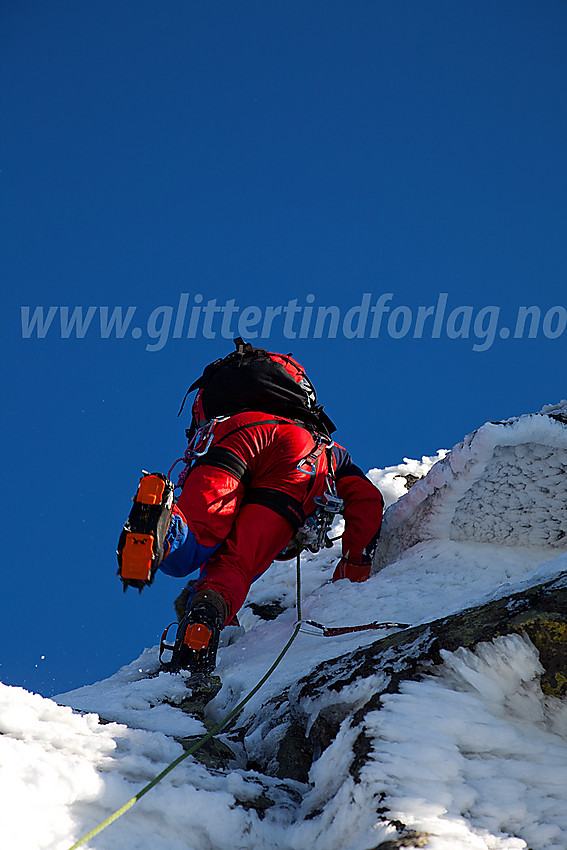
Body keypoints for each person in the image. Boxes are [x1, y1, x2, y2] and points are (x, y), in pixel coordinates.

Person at [119, 341, 383, 675]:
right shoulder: (332, 450)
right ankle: (205, 617)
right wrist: (353, 569)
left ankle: (164, 519)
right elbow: (368, 501)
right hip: (301, 456)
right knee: (238, 563)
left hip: (234, 433)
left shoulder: (235, 415)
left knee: (197, 534)